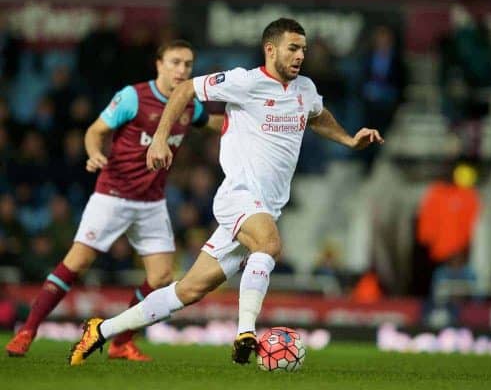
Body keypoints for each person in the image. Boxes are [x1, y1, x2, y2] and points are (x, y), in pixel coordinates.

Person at [68, 18, 383, 366]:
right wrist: (159, 138)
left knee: (188, 290)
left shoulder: (304, 89)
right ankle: (245, 332)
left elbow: (318, 115)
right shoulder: (244, 81)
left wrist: (349, 139)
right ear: (271, 49)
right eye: (293, 48)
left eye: (303, 50)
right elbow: (186, 89)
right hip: (239, 196)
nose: (300, 56)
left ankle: (101, 330)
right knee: (270, 245)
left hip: (267, 206)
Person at [6, 39, 223, 360]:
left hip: (152, 202)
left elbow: (216, 123)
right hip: (113, 195)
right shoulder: (133, 96)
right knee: (77, 262)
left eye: (188, 65)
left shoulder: (190, 104)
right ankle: (27, 330)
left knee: (162, 277)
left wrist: (253, 121)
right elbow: (95, 130)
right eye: (175, 62)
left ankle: (121, 341)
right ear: (159, 64)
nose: (182, 70)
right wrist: (94, 153)